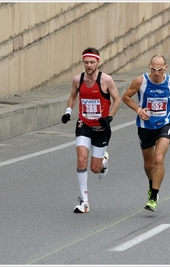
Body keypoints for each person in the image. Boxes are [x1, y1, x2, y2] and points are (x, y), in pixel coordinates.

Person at [61, 47, 121, 213]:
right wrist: (68, 112)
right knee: (81, 159)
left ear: (98, 62)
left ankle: (103, 162)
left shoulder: (106, 80)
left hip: (101, 128)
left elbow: (117, 99)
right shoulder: (77, 79)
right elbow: (73, 96)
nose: (89, 65)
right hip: (84, 125)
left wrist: (109, 118)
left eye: (92, 62)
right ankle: (84, 201)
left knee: (95, 169)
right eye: (86, 62)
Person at [122, 55, 170, 212]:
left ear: (165, 68)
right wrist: (138, 110)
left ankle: (153, 197)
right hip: (145, 126)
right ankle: (151, 183)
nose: (156, 72)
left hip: (164, 124)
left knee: (159, 158)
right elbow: (126, 97)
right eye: (153, 69)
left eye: (159, 69)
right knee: (149, 164)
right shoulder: (140, 81)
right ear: (149, 66)